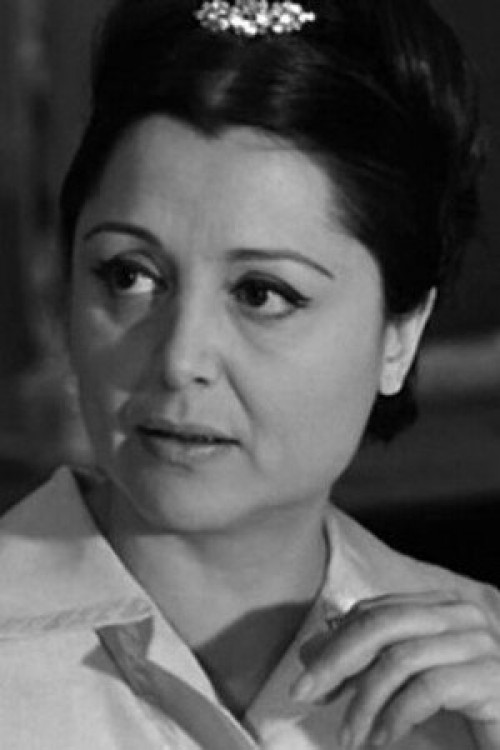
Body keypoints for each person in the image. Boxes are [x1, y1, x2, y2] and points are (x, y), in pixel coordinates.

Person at [0, 0, 499, 747]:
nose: (180, 359)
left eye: (262, 294)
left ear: (401, 334)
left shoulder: (479, 678)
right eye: (130, 275)